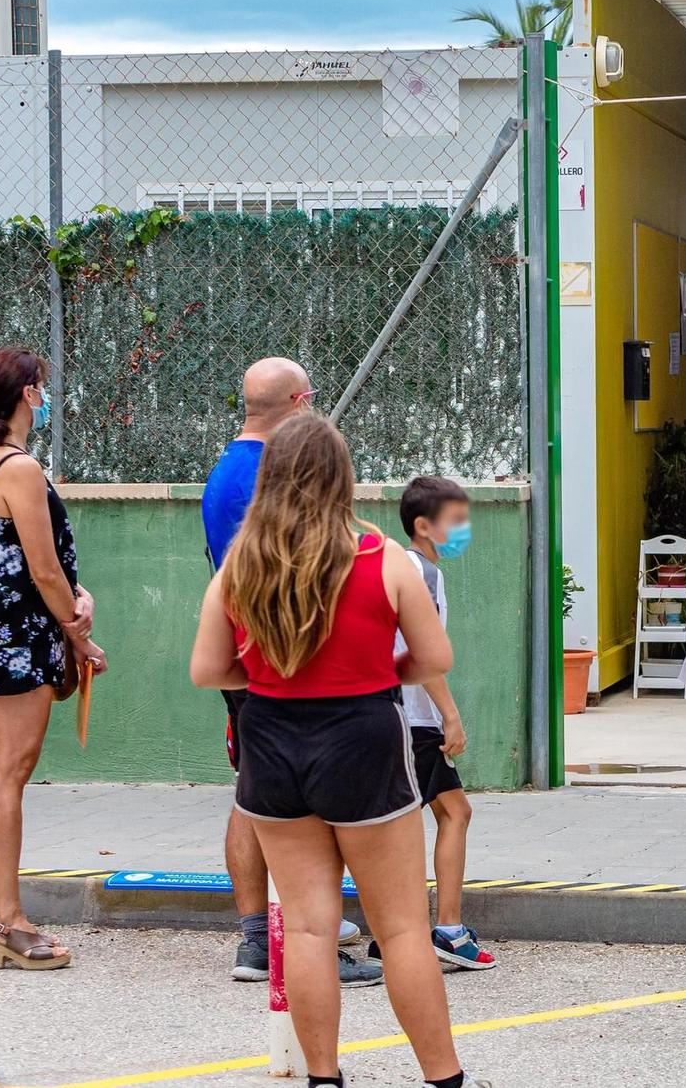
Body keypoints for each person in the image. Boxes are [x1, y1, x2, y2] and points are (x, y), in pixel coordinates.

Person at [189, 414, 485, 1088]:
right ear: (341, 478)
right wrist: (379, 674)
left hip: (272, 740)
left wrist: (269, 676)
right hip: (362, 736)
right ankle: (444, 1078)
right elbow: (435, 654)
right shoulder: (379, 556)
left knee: (310, 927)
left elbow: (208, 669)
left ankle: (323, 1077)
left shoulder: (242, 562)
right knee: (405, 928)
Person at [202, 357, 380, 987]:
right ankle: (303, 939)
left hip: (252, 664)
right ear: (302, 401)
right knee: (306, 805)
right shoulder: (278, 473)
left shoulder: (225, 474)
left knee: (257, 793)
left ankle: (259, 939)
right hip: (285, 664)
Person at [0, 346, 104, 971]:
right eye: (40, 387)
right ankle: (6, 918)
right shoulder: (19, 466)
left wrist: (73, 601)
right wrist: (79, 632)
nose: (44, 397)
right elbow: (43, 567)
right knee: (8, 770)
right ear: (27, 393)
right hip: (18, 631)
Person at [364, 476, 496, 973]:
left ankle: (402, 933)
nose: (463, 530)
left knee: (443, 815)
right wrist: (450, 715)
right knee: (446, 816)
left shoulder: (401, 563)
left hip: (397, 714)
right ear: (424, 526)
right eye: (455, 522)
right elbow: (421, 651)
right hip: (412, 719)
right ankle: (445, 929)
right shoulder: (421, 572)